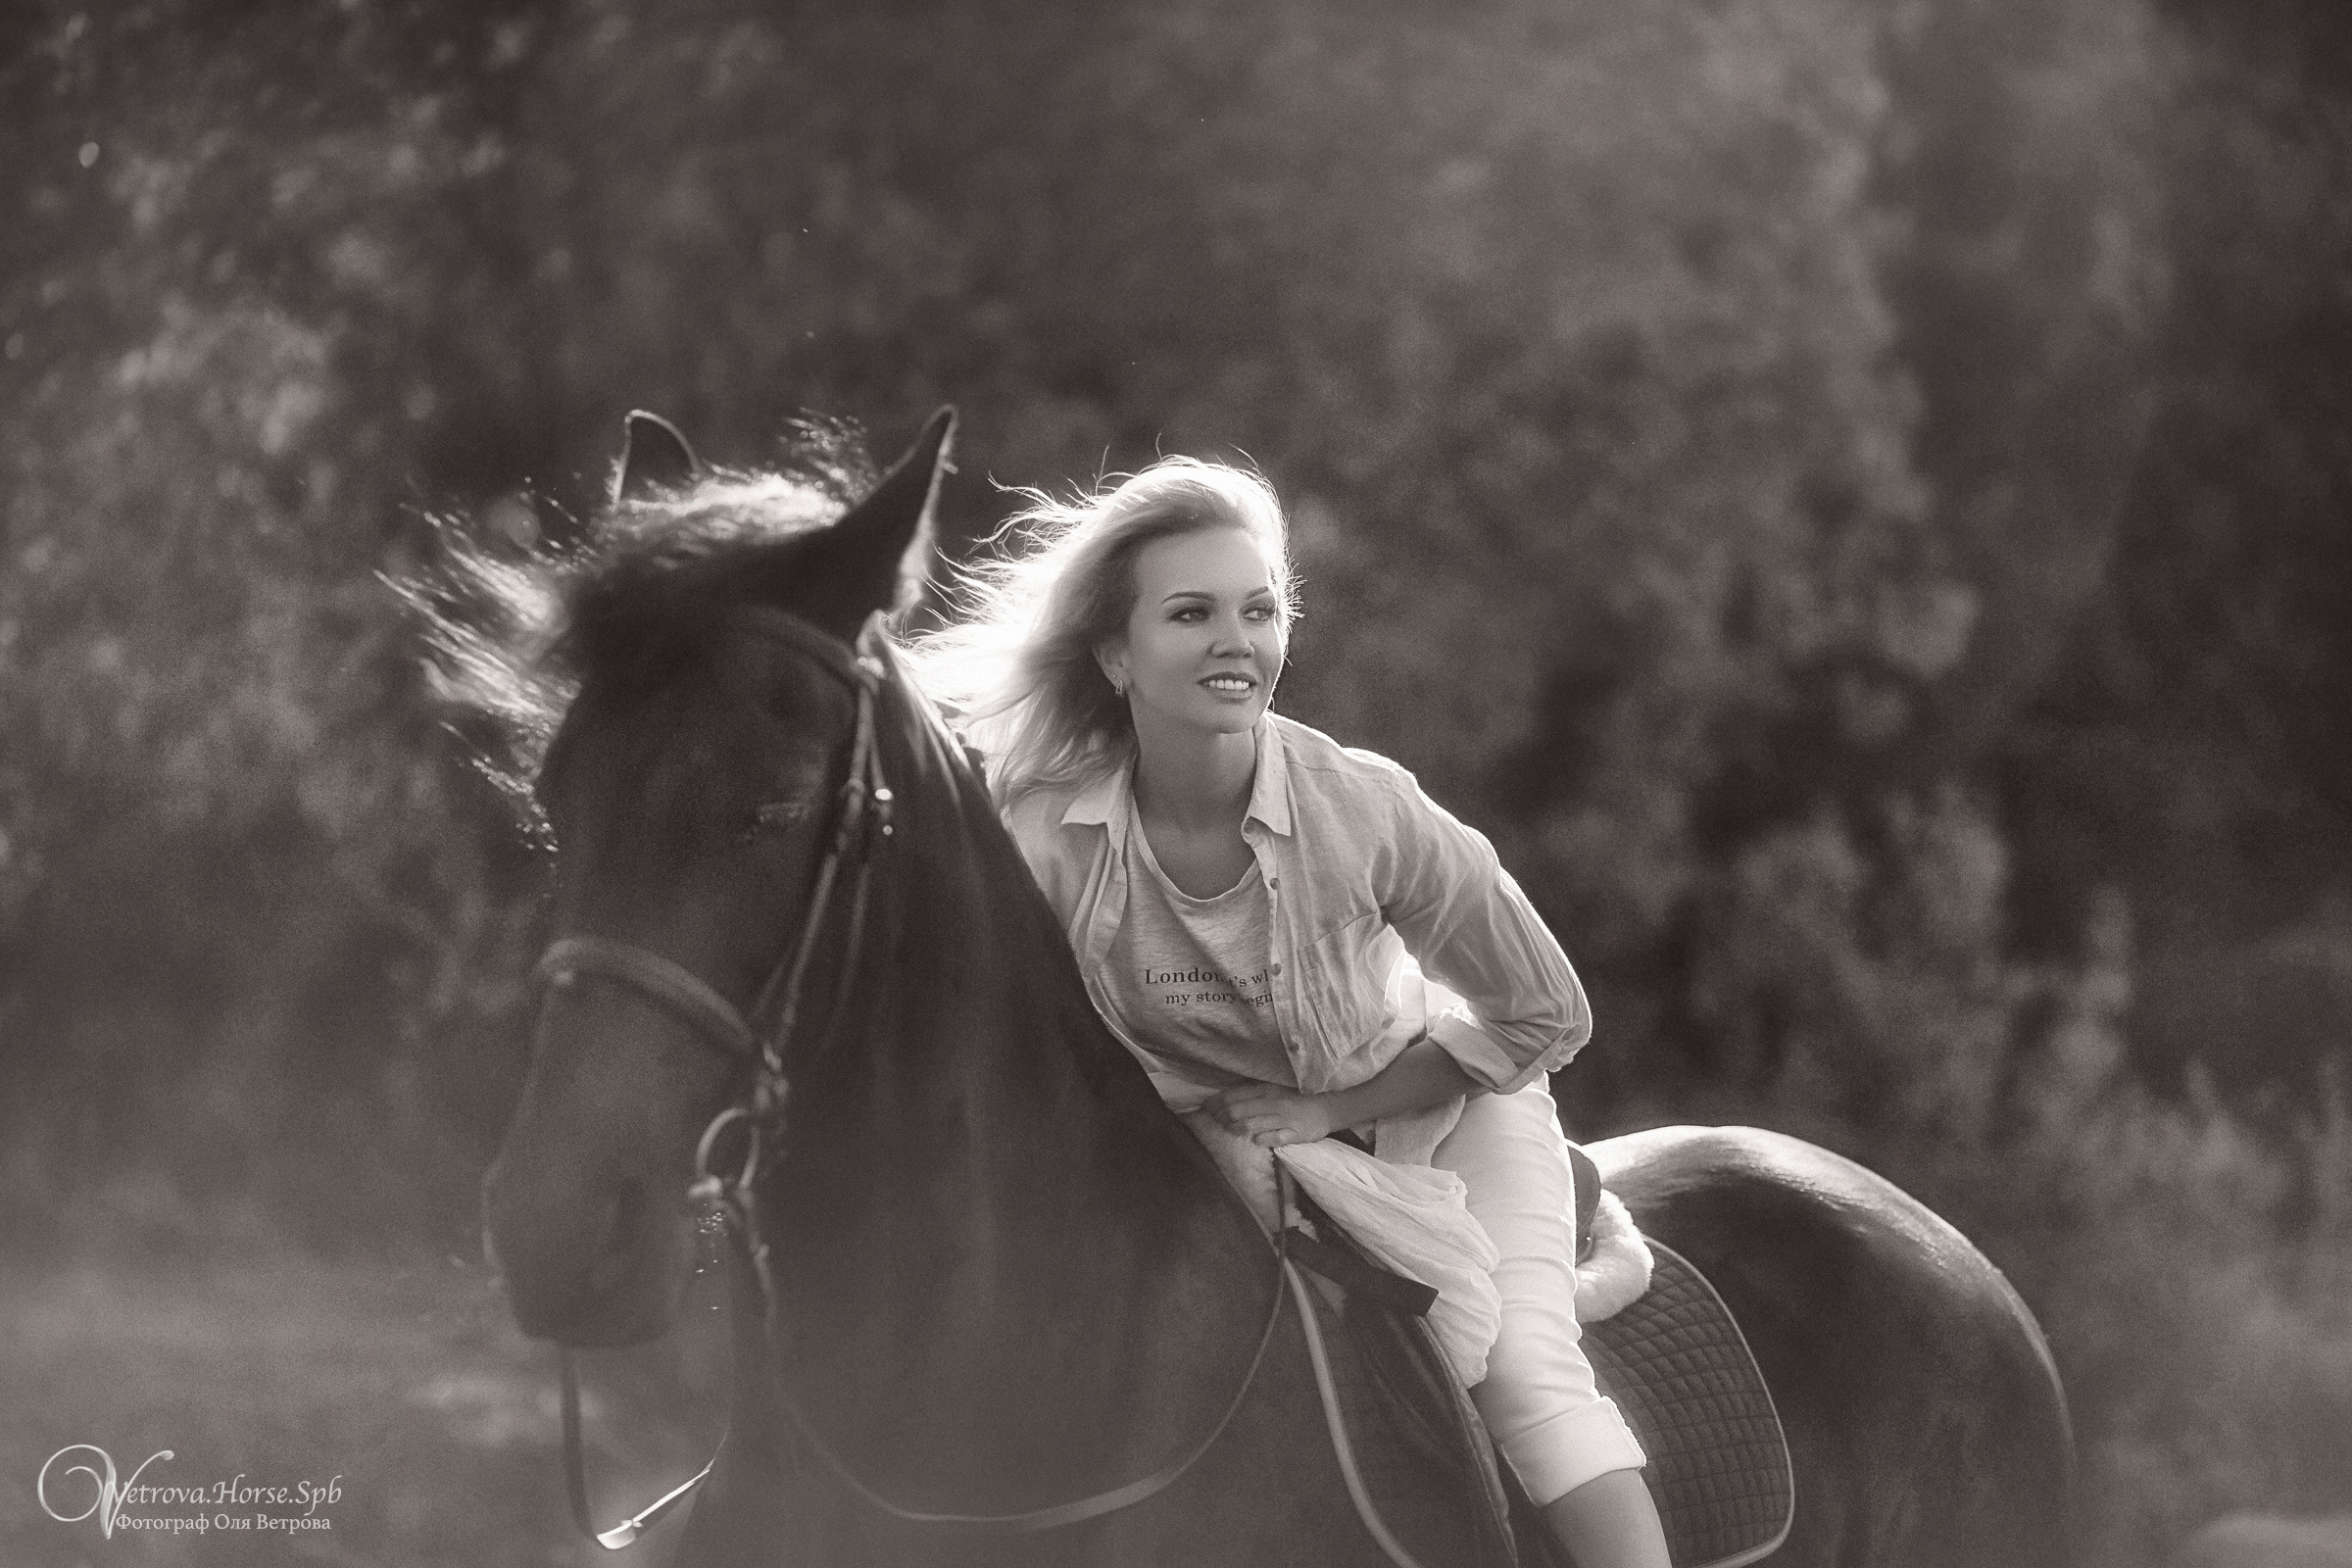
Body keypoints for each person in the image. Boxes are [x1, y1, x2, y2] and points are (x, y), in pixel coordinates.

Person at [905, 457, 1670, 1568]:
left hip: (1440, 1114)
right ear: (1117, 654)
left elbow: (1544, 1013)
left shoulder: (1365, 808)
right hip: (1224, 1143)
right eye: (1191, 613)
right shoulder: (1041, 829)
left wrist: (1334, 1106)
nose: (1236, 639)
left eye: (1259, 608)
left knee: (1530, 1387)